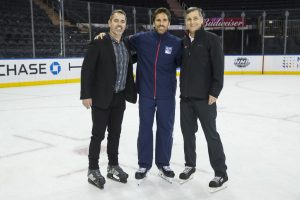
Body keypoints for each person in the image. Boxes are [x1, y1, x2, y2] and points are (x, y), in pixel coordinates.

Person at [97, 7, 181, 180]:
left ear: (169, 23)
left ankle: (164, 163)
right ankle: (144, 165)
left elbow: (184, 62)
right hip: (146, 93)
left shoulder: (176, 43)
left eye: (164, 20)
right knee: (145, 129)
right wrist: (104, 37)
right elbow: (120, 40)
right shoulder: (142, 38)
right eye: (158, 20)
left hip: (167, 95)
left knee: (166, 129)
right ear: (153, 22)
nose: (161, 23)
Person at [80, 9, 137, 189]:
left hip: (119, 98)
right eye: (116, 21)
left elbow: (127, 64)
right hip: (101, 97)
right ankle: (93, 169)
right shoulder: (99, 42)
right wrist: (86, 94)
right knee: (97, 135)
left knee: (115, 134)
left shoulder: (126, 45)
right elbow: (87, 69)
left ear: (125, 25)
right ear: (109, 22)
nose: (119, 24)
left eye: (122, 21)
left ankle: (113, 165)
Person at [178, 7, 228, 190]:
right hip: (186, 99)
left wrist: (215, 93)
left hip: (205, 100)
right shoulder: (183, 42)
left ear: (202, 20)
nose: (192, 22)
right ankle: (190, 165)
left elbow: (219, 69)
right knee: (188, 135)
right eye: (189, 19)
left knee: (211, 136)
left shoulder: (211, 40)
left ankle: (221, 173)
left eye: (195, 18)